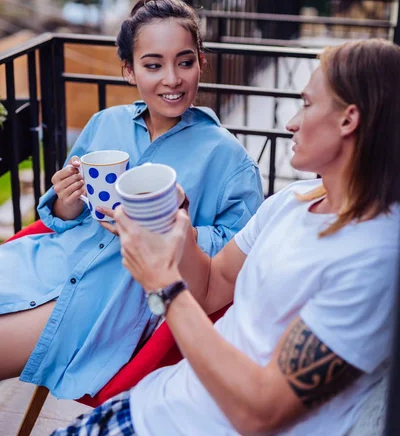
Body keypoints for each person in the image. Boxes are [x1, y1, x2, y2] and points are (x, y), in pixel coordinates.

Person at [54, 38, 400, 436]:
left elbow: (260, 413)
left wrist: (163, 286)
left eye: (306, 104)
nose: (291, 122)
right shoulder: (293, 201)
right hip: (159, 403)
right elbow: (212, 285)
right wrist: (173, 223)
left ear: (348, 120)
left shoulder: (374, 257)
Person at [0, 0, 263, 400]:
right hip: (57, 258)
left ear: (201, 63)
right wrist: (67, 203)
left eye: (185, 62)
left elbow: (239, 256)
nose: (172, 79)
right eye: (153, 65)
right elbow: (68, 217)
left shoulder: (228, 159)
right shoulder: (106, 124)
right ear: (129, 70)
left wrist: (177, 228)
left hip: (115, 297)